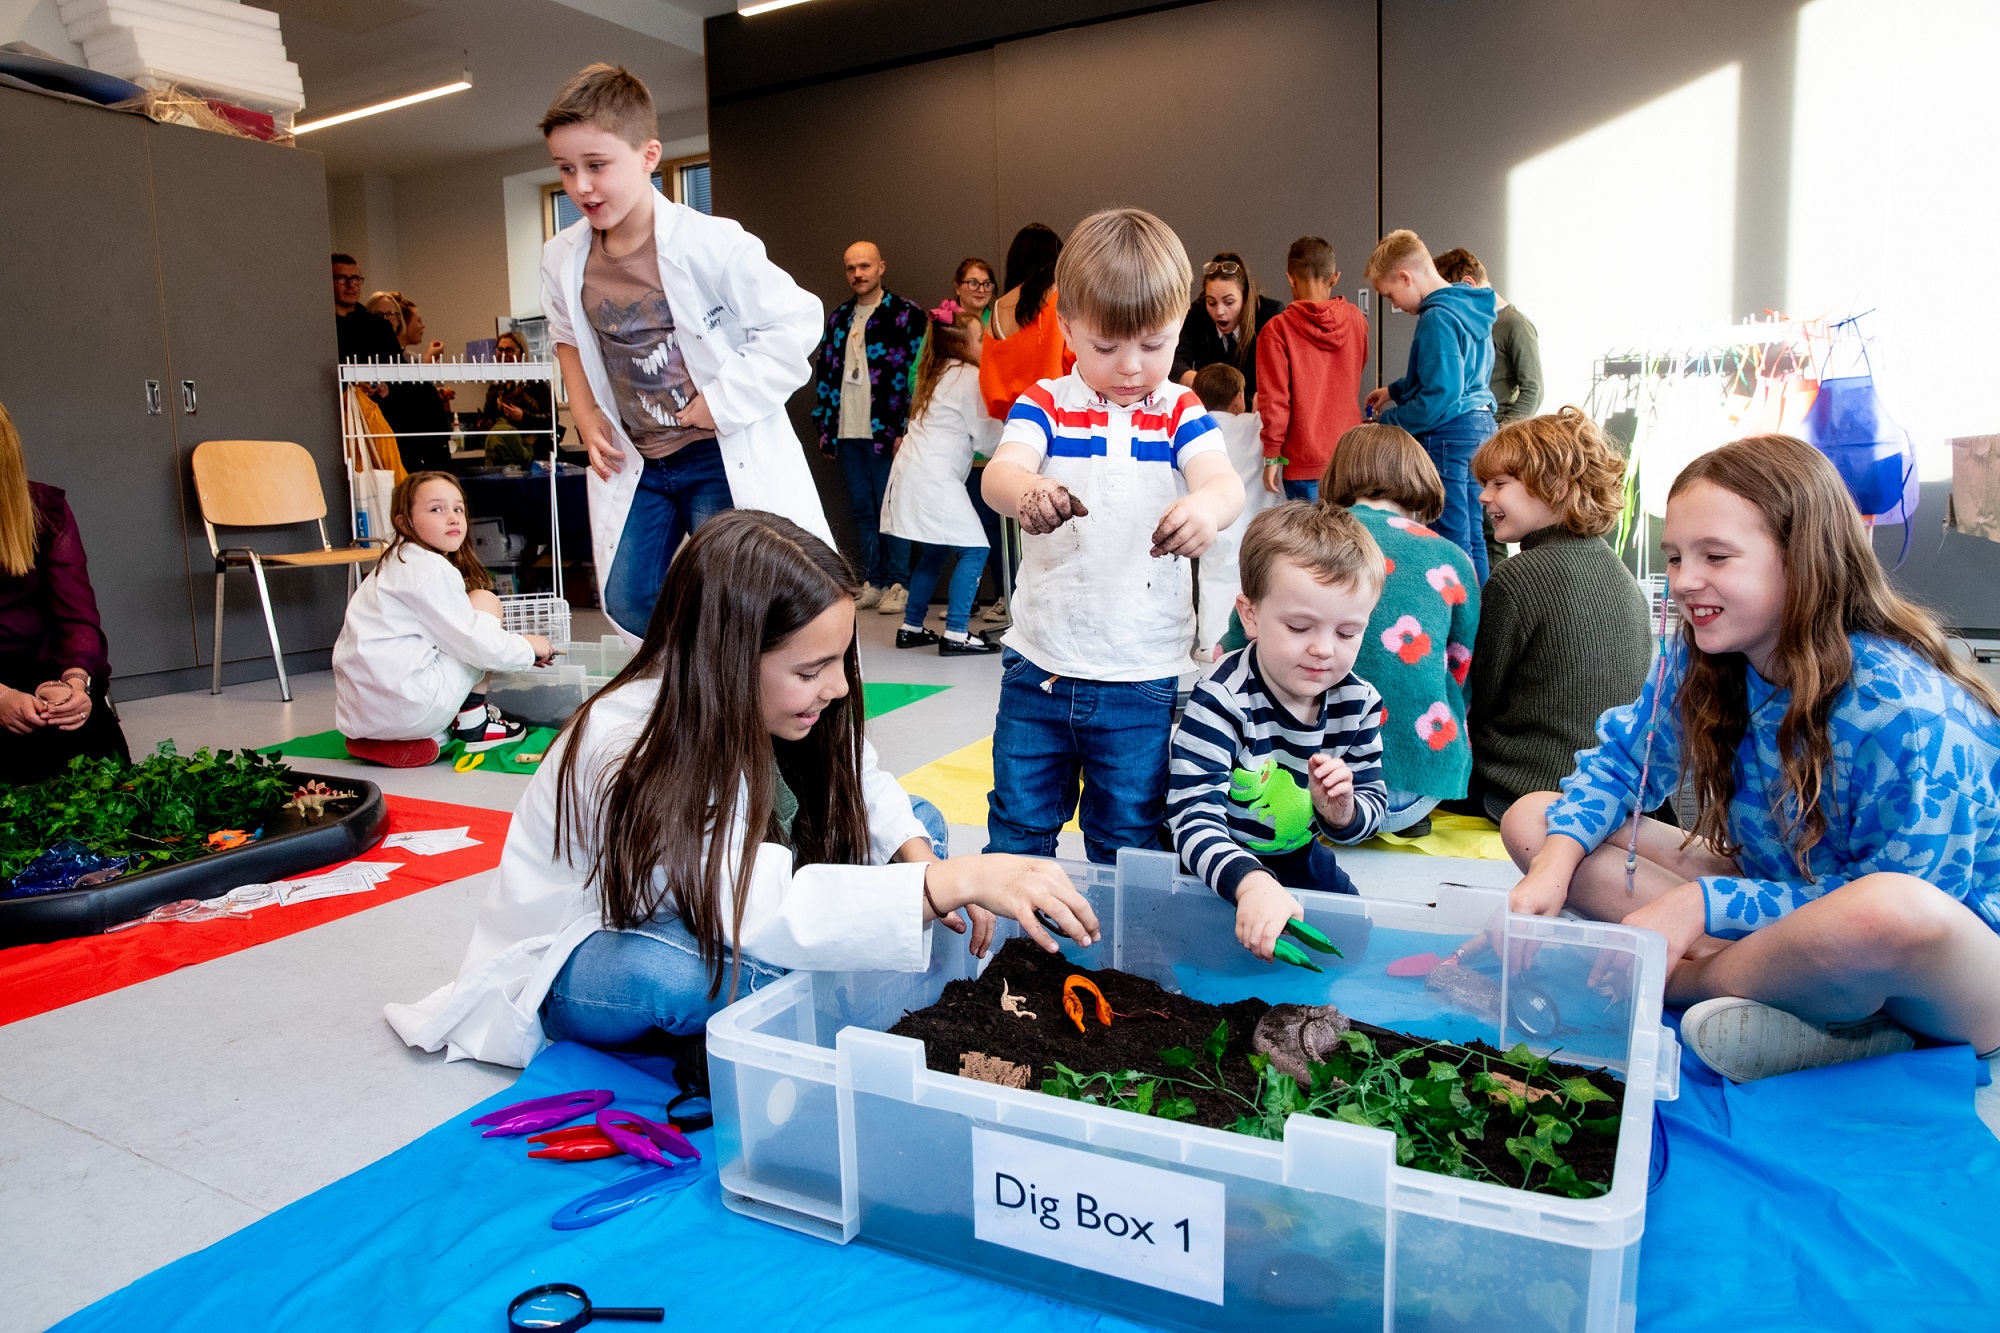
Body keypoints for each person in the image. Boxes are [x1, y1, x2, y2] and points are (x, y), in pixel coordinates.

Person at [384, 511, 1101, 1068]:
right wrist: (952, 881)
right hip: (602, 946)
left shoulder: (779, 696)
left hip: (729, 895)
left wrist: (921, 859)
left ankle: (798, 986)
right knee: (670, 974)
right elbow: (746, 906)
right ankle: (792, 991)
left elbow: (862, 778)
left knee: (918, 818)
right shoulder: (626, 743)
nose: (840, 684)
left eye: (839, 660)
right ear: (727, 658)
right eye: (812, 668)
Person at [1501, 436, 2000, 1083]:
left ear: (1801, 559)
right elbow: (1621, 762)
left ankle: (1687, 979)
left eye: (1716, 556)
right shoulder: (1704, 653)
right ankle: (1804, 1010)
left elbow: (1909, 905)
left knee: (1887, 910)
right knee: (1536, 820)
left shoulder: (1907, 709)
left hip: (1946, 977)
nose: (1684, 580)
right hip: (1787, 891)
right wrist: (1553, 867)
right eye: (1676, 556)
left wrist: (1700, 905)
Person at [980, 208, 1245, 865]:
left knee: (1128, 837)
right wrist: (1027, 492)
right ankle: (1017, 954)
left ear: (1179, 325)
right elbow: (1000, 475)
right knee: (1017, 827)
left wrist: (1207, 510)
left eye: (1153, 345)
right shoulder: (1045, 401)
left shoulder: (1179, 410)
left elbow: (1225, 483)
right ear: (1067, 326)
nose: (1130, 366)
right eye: (1104, 347)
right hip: (1039, 666)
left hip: (1141, 673)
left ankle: (1123, 965)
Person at [539, 64, 830, 640]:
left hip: (714, 453)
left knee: (739, 595)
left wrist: (719, 402)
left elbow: (797, 320)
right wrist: (585, 411)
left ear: (649, 156)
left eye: (597, 166)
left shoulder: (712, 242)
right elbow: (566, 334)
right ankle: (690, 695)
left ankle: (739, 704)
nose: (581, 188)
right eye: (566, 170)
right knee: (628, 599)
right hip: (639, 458)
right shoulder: (562, 255)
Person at [1218, 427, 1479, 836]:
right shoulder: (1452, 558)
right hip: (1414, 792)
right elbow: (1462, 668)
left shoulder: (1300, 546)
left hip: (1299, 784)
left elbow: (1233, 649)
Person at [1168, 503, 1387, 961]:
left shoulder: (1359, 702)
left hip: (1296, 852)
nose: (1324, 650)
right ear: (1250, 616)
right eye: (1299, 627)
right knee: (1197, 949)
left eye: (1348, 633)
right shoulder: (1221, 699)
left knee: (1352, 941)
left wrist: (1343, 812)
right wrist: (1250, 884)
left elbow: (1373, 806)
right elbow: (1191, 818)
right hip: (1215, 859)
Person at [1453, 409, 1649, 823]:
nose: (1484, 496)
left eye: (1499, 484)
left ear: (1556, 487)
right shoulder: (1621, 574)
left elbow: (1480, 701)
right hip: (1601, 791)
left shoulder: (1518, 576)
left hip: (1520, 790)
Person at [334, 471, 554, 768]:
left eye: (458, 509)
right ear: (404, 522)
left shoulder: (392, 564)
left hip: (364, 713)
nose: (452, 518)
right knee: (484, 602)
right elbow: (477, 644)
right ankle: (473, 724)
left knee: (458, 634)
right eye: (436, 509)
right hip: (410, 706)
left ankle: (407, 734)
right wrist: (528, 648)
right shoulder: (429, 569)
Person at [0, 402, 130, 785]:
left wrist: (74, 683)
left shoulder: (44, 510)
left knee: (90, 754)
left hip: (36, 664)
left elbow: (77, 615)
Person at [1363, 230, 1498, 581]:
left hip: (1449, 435)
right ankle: (1477, 623)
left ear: (1406, 277)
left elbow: (1441, 394)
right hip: (1479, 426)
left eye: (1391, 294)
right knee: (1473, 536)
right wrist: (1393, 390)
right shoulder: (1466, 307)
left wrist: (1390, 420)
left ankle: (1455, 623)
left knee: (1449, 537)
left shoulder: (1435, 318)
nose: (1395, 305)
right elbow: (1445, 375)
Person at [810, 241, 928, 617]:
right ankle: (873, 582)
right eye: (850, 268)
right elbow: (825, 376)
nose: (857, 274)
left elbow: (919, 377)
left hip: (887, 432)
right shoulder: (839, 318)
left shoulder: (906, 315)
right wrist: (825, 429)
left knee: (893, 509)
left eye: (864, 266)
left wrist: (909, 427)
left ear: (881, 267)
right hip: (848, 432)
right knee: (862, 512)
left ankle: (900, 583)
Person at [880, 303, 1002, 656]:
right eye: (980, 339)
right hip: (935, 478)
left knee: (932, 551)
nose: (985, 344)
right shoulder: (967, 376)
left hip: (913, 472)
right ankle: (957, 633)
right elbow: (986, 438)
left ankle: (912, 626)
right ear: (962, 345)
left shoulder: (934, 372)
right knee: (975, 549)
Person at [1256, 236, 1368, 503]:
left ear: (1290, 278)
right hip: (1350, 458)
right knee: (1349, 540)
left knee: (1311, 543)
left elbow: (1274, 402)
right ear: (1335, 278)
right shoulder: (1356, 320)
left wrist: (1272, 455)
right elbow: (1356, 372)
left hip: (1304, 462)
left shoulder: (1276, 330)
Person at [1190, 363, 1277, 658]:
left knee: (1214, 578)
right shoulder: (1254, 426)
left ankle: (1210, 642)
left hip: (1218, 522)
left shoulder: (1198, 428)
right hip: (1257, 521)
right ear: (1239, 396)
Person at [1432, 248, 1541, 426]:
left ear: (1468, 284)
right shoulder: (1469, 323)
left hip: (1495, 430)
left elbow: (1533, 390)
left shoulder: (1515, 323)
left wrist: (1503, 433)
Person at [979, 223, 1070, 422]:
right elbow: (1076, 358)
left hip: (1016, 419)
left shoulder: (998, 308)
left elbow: (987, 378)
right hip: (1060, 414)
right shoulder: (1061, 297)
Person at [1171, 252, 1283, 406]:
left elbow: (1279, 375)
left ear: (1245, 297)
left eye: (1229, 302)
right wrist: (1204, 385)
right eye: (1211, 302)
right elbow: (1176, 362)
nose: (1219, 312)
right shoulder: (1197, 315)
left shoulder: (1269, 314)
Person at [366, 289, 455, 474]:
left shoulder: (404, 357)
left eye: (391, 314)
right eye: (379, 314)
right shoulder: (370, 357)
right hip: (400, 445)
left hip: (428, 447)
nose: (385, 319)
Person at [474, 330, 554, 466]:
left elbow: (552, 419)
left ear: (522, 353)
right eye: (500, 350)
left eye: (510, 350)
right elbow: (491, 418)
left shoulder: (537, 382)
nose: (504, 355)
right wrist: (483, 425)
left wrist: (524, 417)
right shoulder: (496, 387)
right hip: (502, 457)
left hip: (534, 456)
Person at [332, 253, 403, 366]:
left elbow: (400, 370)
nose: (350, 285)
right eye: (342, 278)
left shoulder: (379, 327)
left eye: (355, 279)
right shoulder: (321, 327)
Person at [953, 257, 997, 327]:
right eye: (973, 283)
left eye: (987, 284)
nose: (981, 290)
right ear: (957, 288)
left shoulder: (999, 323)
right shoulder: (943, 325)